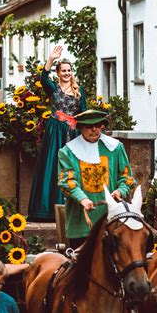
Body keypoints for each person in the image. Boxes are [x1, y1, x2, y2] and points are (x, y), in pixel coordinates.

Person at [58, 110, 136, 249]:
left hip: (112, 218)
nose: (94, 130)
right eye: (89, 126)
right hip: (82, 222)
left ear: (102, 126)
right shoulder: (67, 152)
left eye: (97, 125)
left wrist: (120, 191)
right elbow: (66, 182)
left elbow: (127, 178)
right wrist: (83, 199)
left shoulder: (116, 147)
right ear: (81, 127)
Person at [28, 45, 87, 222]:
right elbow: (42, 77)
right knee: (52, 166)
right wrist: (51, 58)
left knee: (72, 167)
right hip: (55, 132)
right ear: (58, 72)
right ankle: (48, 210)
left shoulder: (79, 91)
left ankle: (75, 206)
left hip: (73, 132)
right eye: (63, 70)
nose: (67, 73)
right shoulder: (53, 88)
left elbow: (84, 112)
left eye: (69, 70)